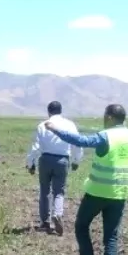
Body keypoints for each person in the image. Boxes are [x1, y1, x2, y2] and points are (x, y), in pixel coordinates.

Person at [43, 103, 128, 255]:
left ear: (110, 117)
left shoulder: (107, 136)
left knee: (81, 225)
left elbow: (81, 141)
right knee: (111, 236)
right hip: (119, 193)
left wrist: (55, 129)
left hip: (97, 192)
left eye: (105, 115)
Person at [26, 101, 83, 235]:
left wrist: (30, 163)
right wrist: (76, 160)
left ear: (48, 112)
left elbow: (35, 147)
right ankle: (57, 214)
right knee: (59, 191)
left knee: (44, 191)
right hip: (62, 160)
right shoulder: (69, 125)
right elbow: (76, 143)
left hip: (45, 159)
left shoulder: (42, 125)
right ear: (61, 111)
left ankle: (45, 222)